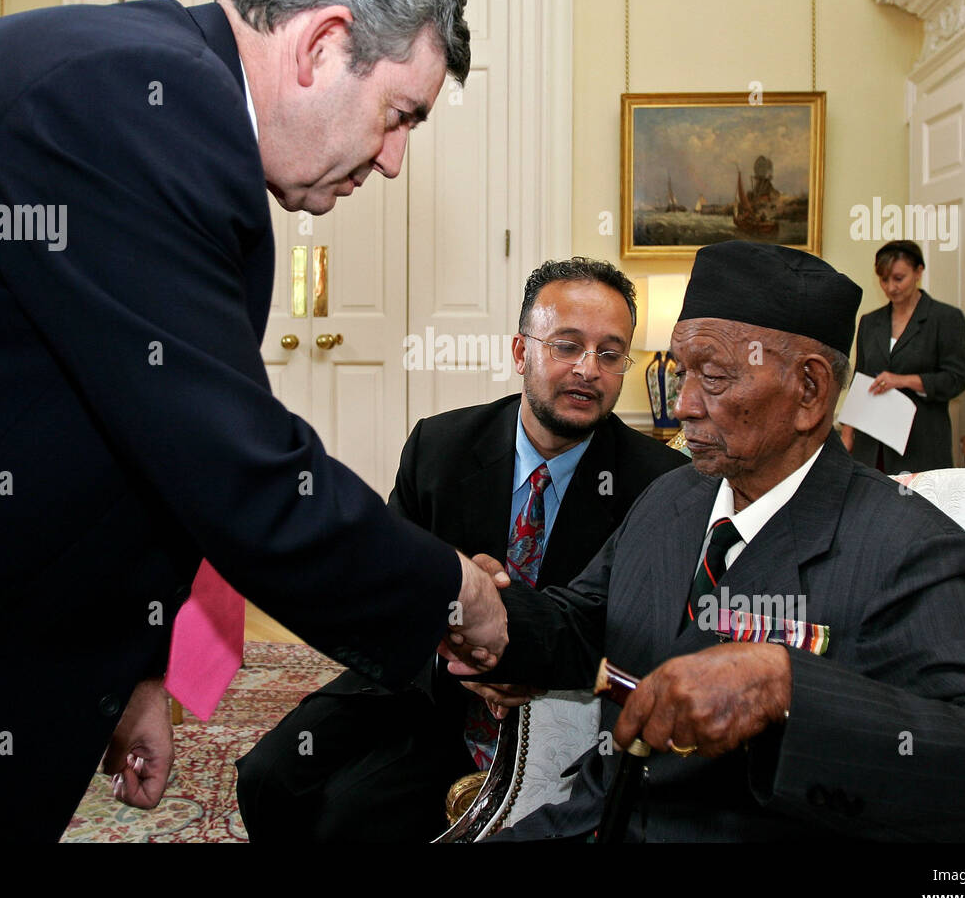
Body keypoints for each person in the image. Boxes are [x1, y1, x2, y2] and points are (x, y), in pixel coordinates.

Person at [0, 0, 510, 841]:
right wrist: (451, 591)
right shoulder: (135, 102)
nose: (391, 161)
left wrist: (142, 672)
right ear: (319, 45)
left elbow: (136, 442)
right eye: (397, 116)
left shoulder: (163, 99)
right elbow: (238, 470)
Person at [454, 241, 965, 842]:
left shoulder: (904, 547)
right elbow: (583, 625)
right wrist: (490, 612)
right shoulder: (673, 497)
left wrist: (786, 687)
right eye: (680, 371)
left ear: (809, 392)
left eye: (715, 378)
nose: (683, 406)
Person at [235, 258, 687, 841]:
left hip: (565, 717)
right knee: (269, 778)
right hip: (428, 687)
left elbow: (642, 632)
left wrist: (529, 662)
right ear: (521, 353)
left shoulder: (659, 484)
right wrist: (458, 651)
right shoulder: (441, 447)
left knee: (349, 818)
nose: (587, 370)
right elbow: (383, 597)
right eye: (567, 346)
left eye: (609, 353)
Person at [840, 239, 965, 472]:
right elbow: (859, 380)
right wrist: (848, 434)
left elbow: (956, 379)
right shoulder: (869, 322)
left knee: (915, 506)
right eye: (884, 279)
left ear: (919, 272)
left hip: (921, 442)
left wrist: (902, 381)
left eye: (899, 278)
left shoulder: (945, 318)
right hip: (871, 444)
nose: (891, 287)